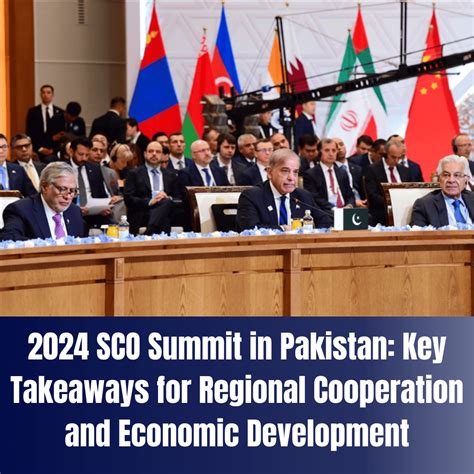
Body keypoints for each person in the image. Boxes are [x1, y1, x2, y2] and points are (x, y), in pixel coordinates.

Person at [236, 148, 333, 231]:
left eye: (295, 172)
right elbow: (250, 228)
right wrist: (283, 229)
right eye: (285, 171)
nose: (291, 178)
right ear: (270, 173)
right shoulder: (252, 196)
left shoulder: (303, 196)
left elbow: (326, 222)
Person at [0, 162, 85, 241]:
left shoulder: (75, 212)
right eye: (62, 189)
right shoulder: (20, 210)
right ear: (44, 187)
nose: (68, 197)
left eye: (72, 191)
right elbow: (9, 238)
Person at [124, 141, 179, 235]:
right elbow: (128, 199)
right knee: (163, 215)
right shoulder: (134, 173)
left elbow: (178, 198)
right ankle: (152, 230)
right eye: (150, 151)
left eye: (158, 152)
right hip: (143, 212)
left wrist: (167, 198)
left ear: (162, 155)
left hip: (165, 213)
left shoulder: (170, 175)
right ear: (145, 154)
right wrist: (150, 201)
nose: (154, 154)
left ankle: (150, 231)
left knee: (166, 202)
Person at [411, 155, 474, 227]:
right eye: (446, 175)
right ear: (439, 179)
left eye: (457, 175)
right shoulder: (424, 205)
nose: (451, 180)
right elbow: (418, 233)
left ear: (466, 179)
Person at [364, 139, 411, 225]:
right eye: (393, 157)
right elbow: (372, 195)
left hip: (404, 212)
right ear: (385, 154)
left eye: (399, 157)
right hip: (382, 213)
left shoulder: (405, 171)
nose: (396, 160)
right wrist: (392, 202)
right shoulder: (373, 170)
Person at [303, 138, 355, 211]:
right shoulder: (311, 174)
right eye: (327, 150)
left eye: (333, 150)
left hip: (345, 210)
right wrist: (335, 209)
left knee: (367, 216)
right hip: (326, 211)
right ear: (319, 152)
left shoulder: (342, 172)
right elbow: (315, 198)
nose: (331, 154)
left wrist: (349, 206)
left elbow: (350, 195)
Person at [25, 84, 63, 161]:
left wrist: (54, 150)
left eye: (48, 92)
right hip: (38, 149)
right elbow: (30, 132)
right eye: (43, 92)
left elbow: (62, 133)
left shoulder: (60, 112)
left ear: (53, 95)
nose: (46, 95)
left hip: (55, 150)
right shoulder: (33, 112)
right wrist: (39, 148)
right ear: (40, 94)